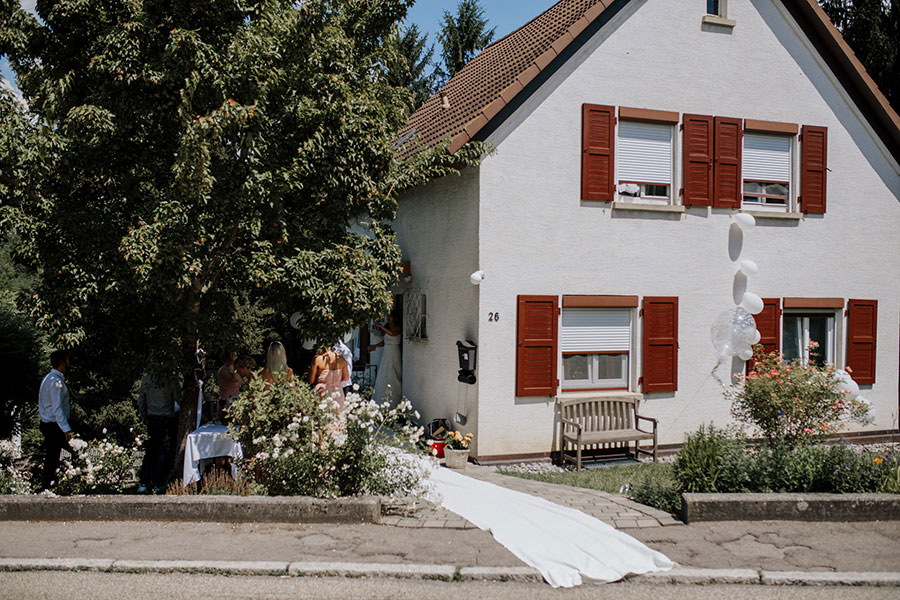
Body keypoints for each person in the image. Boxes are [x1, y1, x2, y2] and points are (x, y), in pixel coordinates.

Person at [137, 371, 180, 494]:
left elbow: (141, 399)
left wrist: (144, 416)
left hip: (152, 417)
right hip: (166, 417)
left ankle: (144, 482)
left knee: (151, 450)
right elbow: (178, 398)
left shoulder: (147, 379)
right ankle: (158, 482)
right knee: (163, 451)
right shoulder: (171, 379)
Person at [38, 349, 74, 491]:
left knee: (53, 457)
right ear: (62, 363)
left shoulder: (50, 379)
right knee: (54, 457)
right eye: (67, 360)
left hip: (52, 424)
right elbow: (57, 408)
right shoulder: (56, 382)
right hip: (54, 425)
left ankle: (50, 485)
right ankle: (48, 487)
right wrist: (66, 428)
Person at [368, 313, 402, 406]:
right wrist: (375, 346)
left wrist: (381, 326)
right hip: (386, 352)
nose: (388, 317)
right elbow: (384, 342)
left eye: (390, 316)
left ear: (394, 318)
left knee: (394, 373)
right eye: (388, 316)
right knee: (384, 373)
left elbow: (392, 334)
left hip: (394, 351)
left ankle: (395, 398)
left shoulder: (398, 328)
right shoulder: (387, 328)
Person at [309, 343, 350, 410]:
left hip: (323, 392)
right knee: (338, 417)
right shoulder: (340, 358)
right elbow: (346, 378)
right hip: (338, 393)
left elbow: (311, 380)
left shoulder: (317, 359)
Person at [216, 349, 241, 422]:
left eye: (236, 355)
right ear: (227, 358)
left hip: (236, 400)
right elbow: (234, 380)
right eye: (232, 355)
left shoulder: (235, 369)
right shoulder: (223, 370)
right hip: (226, 401)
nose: (235, 357)